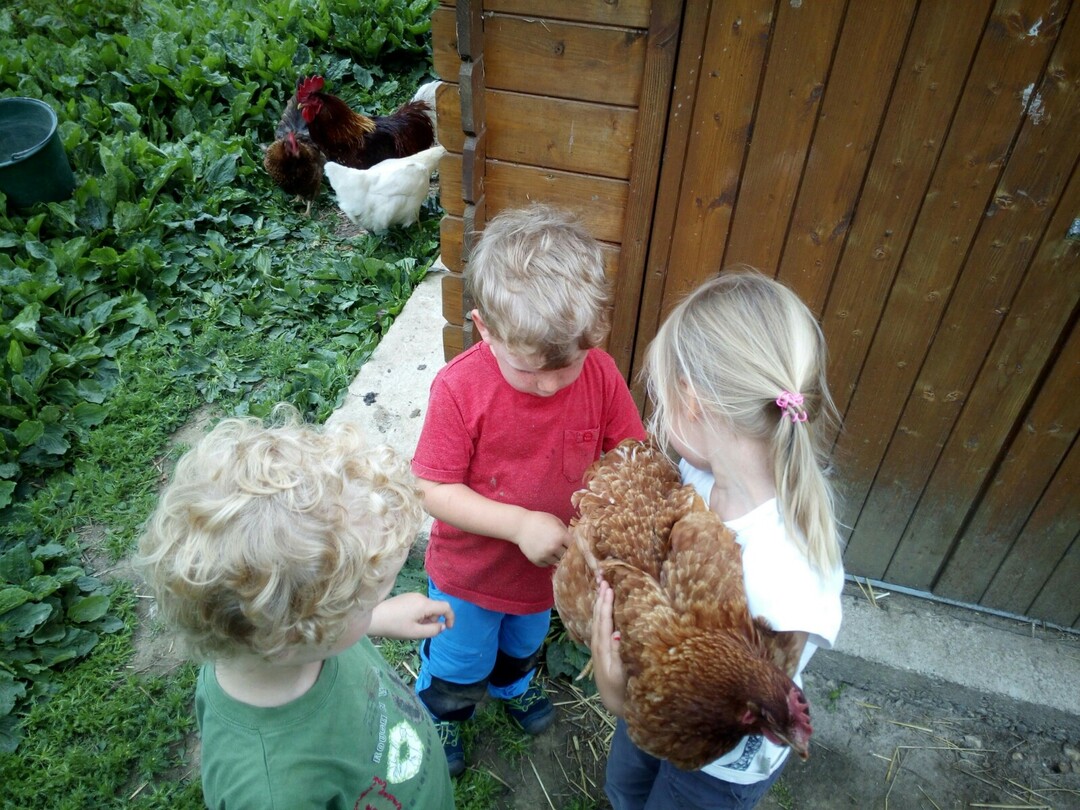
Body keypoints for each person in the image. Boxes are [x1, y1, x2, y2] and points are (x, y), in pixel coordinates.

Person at [591, 268, 845, 809]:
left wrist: (619, 696)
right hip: (655, 694)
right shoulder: (698, 477)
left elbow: (750, 703)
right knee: (627, 788)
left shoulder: (787, 582)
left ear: (692, 404)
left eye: (662, 403)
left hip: (718, 762)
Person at [411, 204, 647, 776]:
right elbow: (432, 488)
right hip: (469, 576)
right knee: (460, 658)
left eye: (566, 367)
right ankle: (443, 710)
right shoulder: (459, 390)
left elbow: (629, 458)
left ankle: (514, 684)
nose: (549, 386)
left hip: (546, 575)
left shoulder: (600, 376)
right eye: (529, 370)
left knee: (523, 643)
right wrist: (518, 524)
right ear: (484, 329)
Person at [136, 406, 457, 809]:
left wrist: (378, 617)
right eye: (368, 601)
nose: (377, 602)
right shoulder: (272, 792)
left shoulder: (265, 636)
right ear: (296, 635)